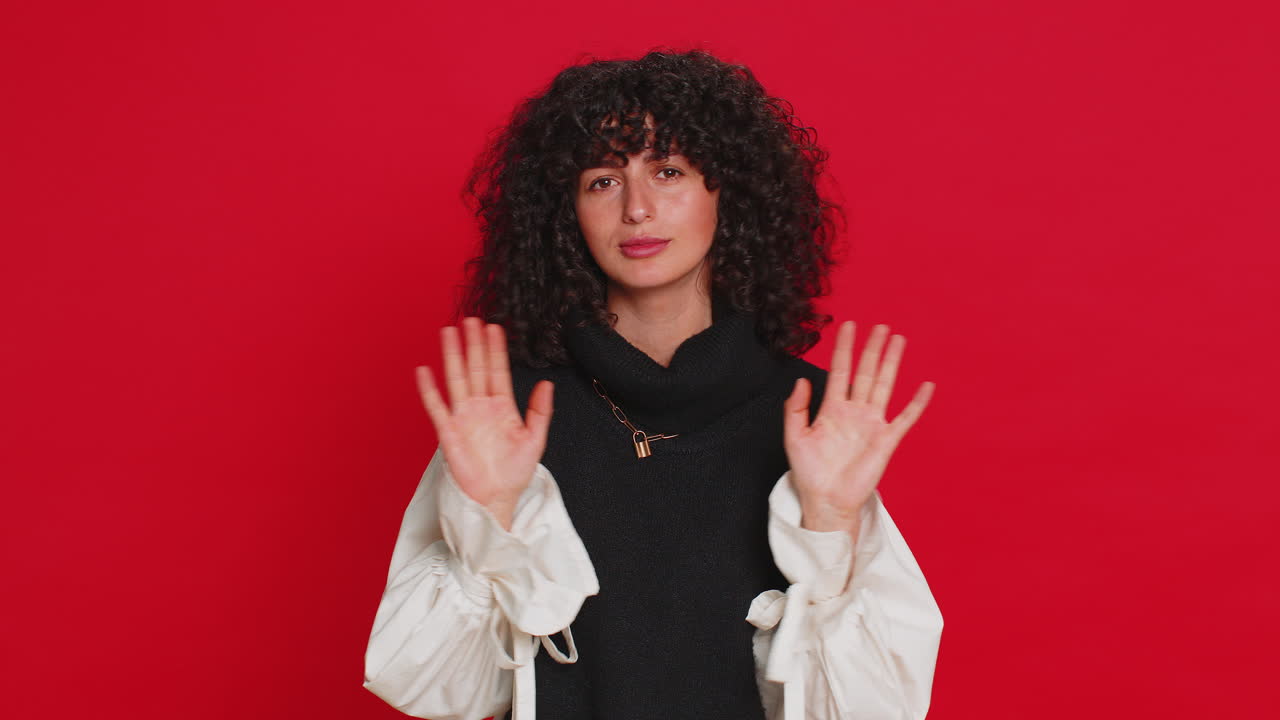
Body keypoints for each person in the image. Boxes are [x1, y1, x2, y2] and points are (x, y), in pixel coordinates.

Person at [362, 48, 942, 720]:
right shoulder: (507, 420)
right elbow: (428, 688)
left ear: (730, 193)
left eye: (668, 171)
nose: (637, 209)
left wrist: (832, 524)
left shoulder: (812, 418)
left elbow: (874, 711)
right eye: (603, 181)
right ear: (565, 213)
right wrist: (488, 516)